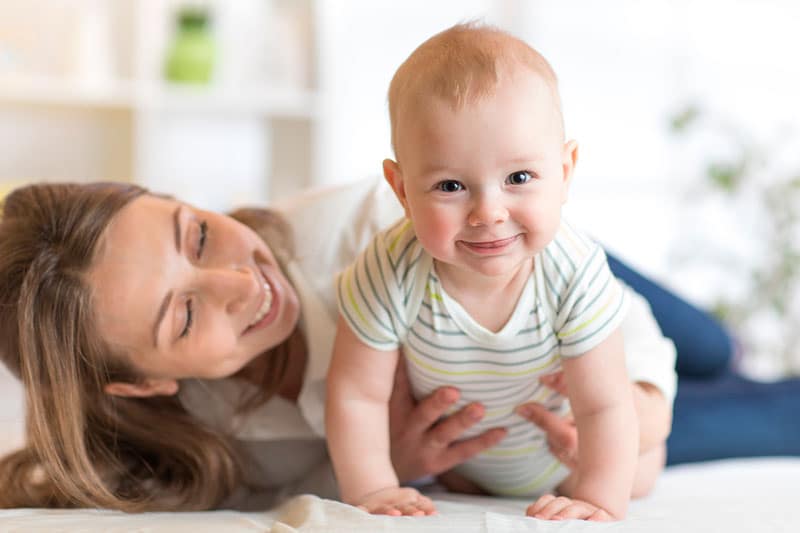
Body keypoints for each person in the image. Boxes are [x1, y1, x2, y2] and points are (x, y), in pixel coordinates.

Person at [0, 177, 675, 513]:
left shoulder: (383, 230)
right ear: (141, 383)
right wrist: (390, 465)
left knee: (705, 352)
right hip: (520, 430)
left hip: (547, 276)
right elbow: (295, 490)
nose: (240, 281)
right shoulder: (197, 436)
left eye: (199, 234)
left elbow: (630, 328)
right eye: (182, 315)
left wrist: (634, 411)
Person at [326, 23, 663, 521]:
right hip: (468, 465)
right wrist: (374, 488)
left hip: (567, 451)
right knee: (456, 482)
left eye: (519, 178)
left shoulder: (574, 269)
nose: (489, 212)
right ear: (401, 189)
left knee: (635, 462)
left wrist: (595, 500)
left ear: (565, 172)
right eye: (450, 185)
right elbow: (356, 395)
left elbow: (603, 406)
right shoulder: (388, 270)